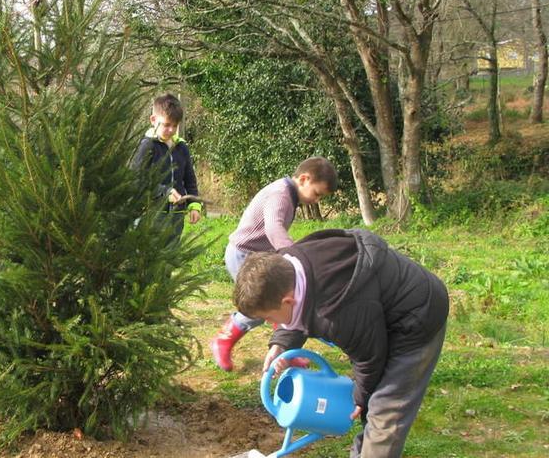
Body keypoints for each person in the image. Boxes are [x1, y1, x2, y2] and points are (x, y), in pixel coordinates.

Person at [233, 229, 448, 457]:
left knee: (385, 408)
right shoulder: (288, 266)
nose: (268, 323)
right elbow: (299, 311)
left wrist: (360, 398)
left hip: (418, 316)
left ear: (288, 300)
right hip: (376, 308)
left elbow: (369, 358)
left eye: (268, 317)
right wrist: (281, 343)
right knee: (372, 408)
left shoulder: (335, 313)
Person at [210, 157, 337, 371]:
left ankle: (286, 351)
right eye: (317, 194)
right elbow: (273, 228)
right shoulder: (280, 194)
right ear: (304, 179)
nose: (316, 201)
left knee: (281, 303)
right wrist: (295, 255)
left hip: (258, 256)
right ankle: (223, 339)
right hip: (243, 254)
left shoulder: (288, 194)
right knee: (263, 304)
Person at [131, 93, 202, 244]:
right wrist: (164, 192)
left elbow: (190, 179)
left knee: (169, 260)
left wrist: (194, 205)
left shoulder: (181, 147)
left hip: (176, 217)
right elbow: (136, 180)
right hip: (152, 214)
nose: (171, 130)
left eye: (175, 126)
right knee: (150, 262)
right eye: (166, 125)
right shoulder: (147, 146)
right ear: (153, 120)